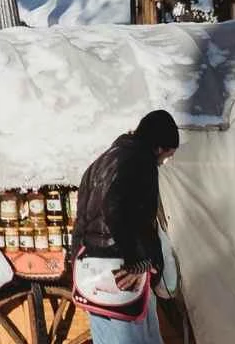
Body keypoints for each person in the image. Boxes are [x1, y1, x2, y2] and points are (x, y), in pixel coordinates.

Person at [71, 110, 180, 344]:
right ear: (159, 146)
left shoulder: (100, 162)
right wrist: (135, 258)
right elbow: (114, 207)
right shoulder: (140, 160)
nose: (164, 161)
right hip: (121, 273)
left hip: (95, 273)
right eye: (167, 155)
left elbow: (80, 220)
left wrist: (75, 264)